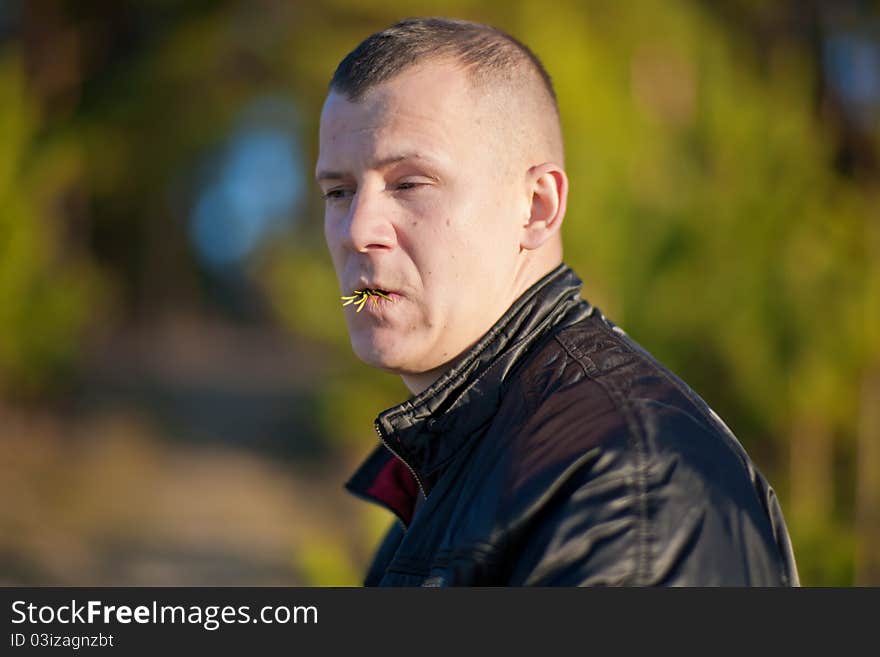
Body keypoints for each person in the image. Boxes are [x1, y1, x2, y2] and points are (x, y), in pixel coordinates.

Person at [316, 17, 799, 586]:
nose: (357, 229)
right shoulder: (447, 470)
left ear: (537, 207)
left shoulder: (627, 484)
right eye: (338, 192)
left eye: (410, 183)